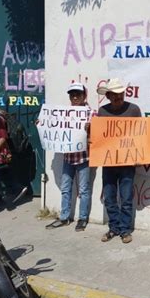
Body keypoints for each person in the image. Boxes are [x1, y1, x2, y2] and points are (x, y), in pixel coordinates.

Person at [97, 78, 141, 244]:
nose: (118, 97)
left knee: (126, 198)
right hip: (108, 163)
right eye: (114, 94)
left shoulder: (134, 110)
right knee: (109, 197)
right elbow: (99, 137)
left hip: (127, 163)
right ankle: (113, 228)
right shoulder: (102, 111)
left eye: (120, 93)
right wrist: (90, 130)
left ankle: (124, 230)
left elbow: (140, 135)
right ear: (107, 95)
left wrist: (139, 155)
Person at [45, 82, 92, 232]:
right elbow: (53, 126)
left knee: (83, 190)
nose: (75, 96)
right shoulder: (62, 113)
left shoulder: (90, 113)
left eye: (78, 93)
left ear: (84, 96)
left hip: (84, 157)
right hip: (68, 157)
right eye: (72, 94)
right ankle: (64, 217)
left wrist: (90, 128)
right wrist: (43, 125)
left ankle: (83, 218)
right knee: (66, 188)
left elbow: (98, 133)